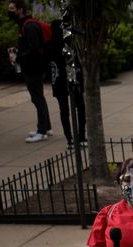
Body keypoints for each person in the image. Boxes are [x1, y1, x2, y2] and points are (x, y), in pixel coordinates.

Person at [7, 0, 51, 143]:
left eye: (12, 9)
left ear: (20, 10)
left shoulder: (29, 26)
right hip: (33, 67)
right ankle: (46, 127)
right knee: (39, 97)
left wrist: (19, 57)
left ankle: (42, 131)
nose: (10, 11)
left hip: (33, 68)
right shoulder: (26, 25)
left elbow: (34, 48)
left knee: (37, 98)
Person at [49, 18, 85, 150]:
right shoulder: (70, 45)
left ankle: (71, 139)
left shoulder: (52, 45)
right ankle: (79, 137)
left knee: (66, 109)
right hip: (68, 77)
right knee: (78, 107)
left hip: (61, 78)